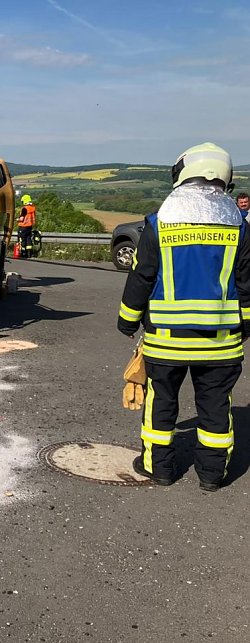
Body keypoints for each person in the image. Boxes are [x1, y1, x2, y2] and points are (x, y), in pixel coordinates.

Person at [118, 142, 250, 491]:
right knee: (216, 409)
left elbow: (141, 277)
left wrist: (127, 321)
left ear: (182, 173)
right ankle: (211, 475)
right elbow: (246, 284)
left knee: (161, 404)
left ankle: (157, 468)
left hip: (166, 341)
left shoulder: (159, 223)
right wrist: (246, 326)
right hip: (221, 345)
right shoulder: (239, 226)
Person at [17, 194, 36, 258]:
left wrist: (17, 219)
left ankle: (23, 253)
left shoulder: (24, 209)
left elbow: (21, 219)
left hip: (23, 227)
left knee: (22, 240)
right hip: (29, 226)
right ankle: (29, 253)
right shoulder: (32, 208)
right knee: (28, 239)